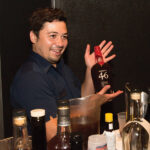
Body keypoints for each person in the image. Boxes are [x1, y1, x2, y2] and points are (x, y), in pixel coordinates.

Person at [10, 8, 123, 141]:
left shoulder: (60, 66)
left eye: (64, 37)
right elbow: (53, 132)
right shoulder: (30, 78)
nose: (60, 43)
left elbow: (81, 98)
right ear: (33, 37)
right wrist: (92, 105)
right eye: (52, 36)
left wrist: (91, 69)